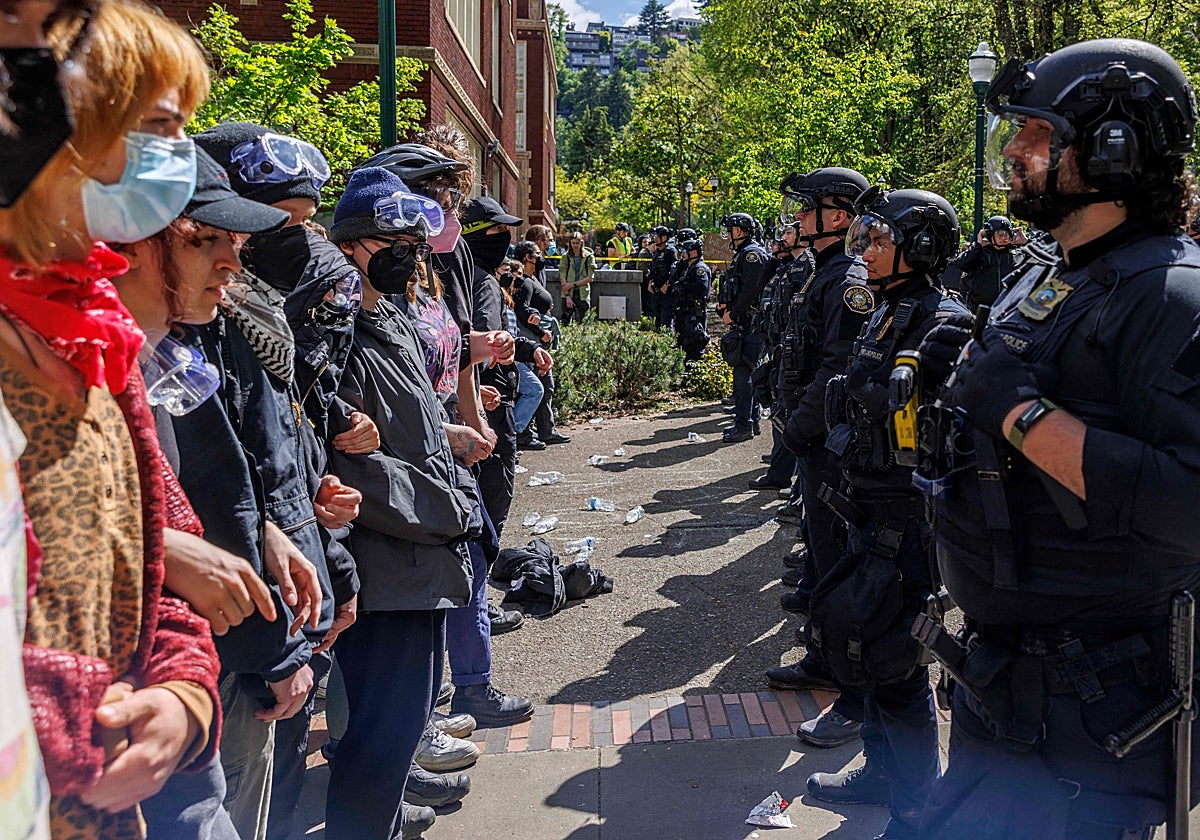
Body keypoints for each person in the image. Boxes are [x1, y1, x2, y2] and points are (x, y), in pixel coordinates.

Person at [916, 38, 1200, 840]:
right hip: (1006, 692)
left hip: (1094, 720)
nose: (1013, 151)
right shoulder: (1053, 273)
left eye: (1036, 136)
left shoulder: (1171, 296)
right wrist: (962, 379)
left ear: (1113, 148)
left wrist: (1020, 414)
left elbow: (1191, 503)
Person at [0, 2, 223, 836]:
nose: (178, 157)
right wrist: (80, 729)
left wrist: (181, 698)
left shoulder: (101, 345)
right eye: (160, 126)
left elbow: (159, 566)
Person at [807, 187, 970, 840]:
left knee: (900, 670)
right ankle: (879, 773)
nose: (866, 253)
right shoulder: (884, 313)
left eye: (878, 241)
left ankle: (918, 815)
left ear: (921, 248)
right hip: (867, 514)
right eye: (865, 240)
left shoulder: (943, 321)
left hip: (909, 528)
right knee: (864, 652)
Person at [324, 166, 480, 840]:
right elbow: (350, 463)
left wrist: (450, 439)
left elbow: (408, 422)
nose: (411, 257)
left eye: (417, 245)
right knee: (375, 751)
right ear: (353, 242)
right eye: (394, 241)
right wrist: (449, 511)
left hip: (418, 566)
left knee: (391, 749)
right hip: (388, 567)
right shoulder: (332, 332)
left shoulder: (386, 317)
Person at [770, 167, 872, 749]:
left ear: (837, 216)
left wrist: (800, 430)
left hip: (829, 444)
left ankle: (839, 674)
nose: (797, 216)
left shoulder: (844, 279)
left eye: (807, 207)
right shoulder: (824, 273)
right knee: (823, 550)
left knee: (837, 558)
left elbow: (839, 368)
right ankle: (824, 654)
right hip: (814, 439)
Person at [716, 213, 771, 442]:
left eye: (729, 229)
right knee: (746, 373)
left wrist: (734, 313)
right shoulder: (745, 254)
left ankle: (744, 425)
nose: (727, 234)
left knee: (744, 374)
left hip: (750, 323)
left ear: (738, 231)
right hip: (746, 322)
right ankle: (752, 421)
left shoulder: (751, 255)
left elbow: (751, 290)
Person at [513, 240, 570, 447]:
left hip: (535, 342)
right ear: (528, 257)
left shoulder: (533, 279)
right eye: (537, 253)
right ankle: (525, 434)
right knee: (534, 388)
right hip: (530, 342)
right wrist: (541, 332)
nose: (541, 256)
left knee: (546, 386)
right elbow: (522, 310)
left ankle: (545, 429)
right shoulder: (525, 282)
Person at [952, 214, 1018, 313]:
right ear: (989, 234)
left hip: (1008, 310)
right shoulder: (979, 253)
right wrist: (977, 245)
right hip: (979, 310)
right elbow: (961, 264)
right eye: (1000, 234)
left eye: (1007, 234)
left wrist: (1026, 242)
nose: (1004, 238)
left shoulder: (1017, 255)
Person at [672, 238, 712, 362]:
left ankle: (695, 372)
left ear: (693, 253)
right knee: (685, 342)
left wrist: (684, 285)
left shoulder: (699, 268)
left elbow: (702, 288)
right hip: (685, 311)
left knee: (695, 342)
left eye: (684, 251)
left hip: (694, 312)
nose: (682, 254)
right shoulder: (688, 267)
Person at [559, 231, 595, 325]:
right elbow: (562, 276)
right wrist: (567, 296)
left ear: (581, 243)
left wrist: (573, 284)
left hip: (582, 293)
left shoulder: (588, 256)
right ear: (570, 243)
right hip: (567, 294)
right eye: (573, 243)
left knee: (584, 322)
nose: (575, 245)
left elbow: (590, 278)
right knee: (565, 322)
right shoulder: (566, 257)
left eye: (577, 243)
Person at [647, 226, 675, 327]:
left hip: (667, 292)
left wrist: (667, 284)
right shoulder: (656, 252)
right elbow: (653, 269)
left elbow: (675, 271)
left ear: (664, 237)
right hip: (657, 291)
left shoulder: (671, 252)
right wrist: (650, 282)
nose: (655, 238)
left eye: (657, 236)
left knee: (666, 321)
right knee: (657, 321)